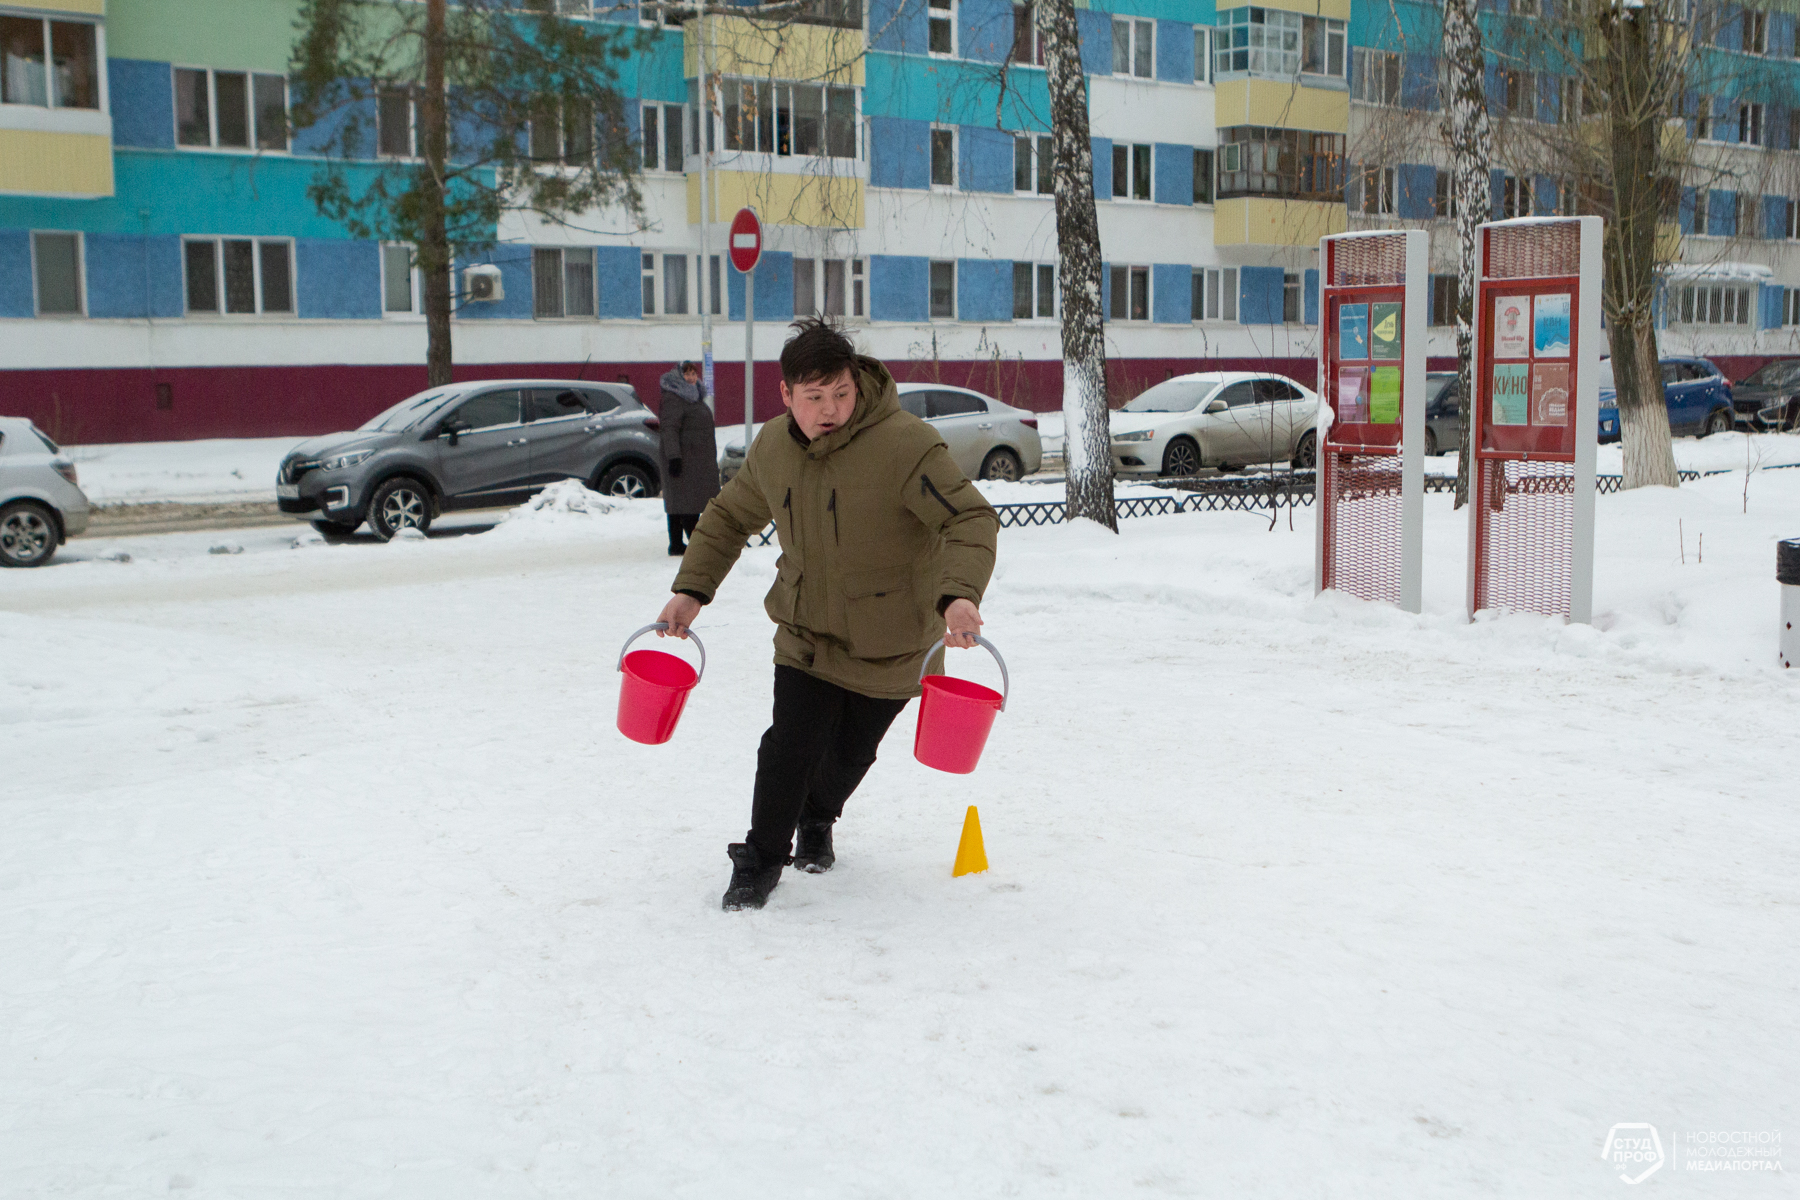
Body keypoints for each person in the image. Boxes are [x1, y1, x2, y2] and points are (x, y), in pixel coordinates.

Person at [653, 319, 999, 911]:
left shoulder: (904, 445)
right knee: (788, 744)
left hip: (892, 639)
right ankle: (760, 861)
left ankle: (817, 816)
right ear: (786, 395)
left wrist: (959, 594)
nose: (831, 409)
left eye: (841, 393)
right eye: (814, 398)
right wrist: (692, 591)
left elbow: (969, 519)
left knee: (847, 756)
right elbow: (730, 517)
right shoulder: (774, 448)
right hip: (808, 631)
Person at [658, 360, 721, 556]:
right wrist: (674, 457)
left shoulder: (693, 396)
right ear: (679, 377)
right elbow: (669, 429)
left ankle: (676, 544)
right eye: (687, 374)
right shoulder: (674, 397)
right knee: (687, 502)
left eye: (694, 373)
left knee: (681, 501)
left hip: (694, 458)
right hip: (683, 459)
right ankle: (695, 545)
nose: (691, 377)